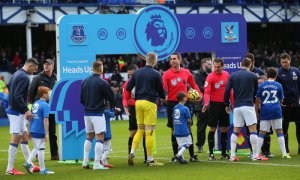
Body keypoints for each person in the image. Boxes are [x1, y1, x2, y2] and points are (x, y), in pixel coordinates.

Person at [127, 52, 166, 166]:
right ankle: (150, 160)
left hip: (138, 103)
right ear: (154, 61)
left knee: (140, 130)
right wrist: (164, 97)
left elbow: (129, 88)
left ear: (146, 60)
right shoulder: (156, 74)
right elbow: (161, 92)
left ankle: (132, 152)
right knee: (149, 132)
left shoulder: (137, 72)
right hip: (150, 103)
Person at [162, 52, 202, 163]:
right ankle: (176, 156)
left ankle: (192, 155)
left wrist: (199, 94)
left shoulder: (186, 72)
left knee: (188, 127)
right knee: (173, 130)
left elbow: (194, 85)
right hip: (172, 104)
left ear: (180, 60)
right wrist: (163, 96)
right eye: (171, 59)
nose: (172, 61)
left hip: (185, 104)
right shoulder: (166, 74)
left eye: (174, 58)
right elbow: (163, 88)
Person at [224, 57, 265, 161]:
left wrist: (226, 104)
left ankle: (232, 156)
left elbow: (227, 90)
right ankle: (255, 155)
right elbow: (256, 91)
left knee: (236, 130)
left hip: (237, 106)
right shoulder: (253, 76)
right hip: (248, 105)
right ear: (250, 65)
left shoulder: (233, 75)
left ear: (241, 64)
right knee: (253, 130)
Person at [6, 58, 39, 175]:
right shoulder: (24, 77)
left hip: (15, 110)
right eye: (34, 69)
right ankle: (10, 169)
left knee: (24, 136)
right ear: (29, 65)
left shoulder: (16, 73)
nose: (34, 71)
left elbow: (11, 90)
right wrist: (26, 110)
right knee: (16, 137)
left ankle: (29, 164)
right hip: (16, 112)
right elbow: (17, 95)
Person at [80, 60, 115, 170]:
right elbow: (111, 97)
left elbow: (81, 99)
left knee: (89, 137)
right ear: (100, 69)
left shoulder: (85, 81)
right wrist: (112, 107)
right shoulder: (102, 82)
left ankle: (85, 162)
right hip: (98, 113)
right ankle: (96, 163)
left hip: (87, 112)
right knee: (100, 138)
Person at [255, 67, 289, 159]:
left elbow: (257, 100)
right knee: (279, 131)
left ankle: (257, 154)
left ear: (267, 75)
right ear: (276, 75)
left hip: (265, 110)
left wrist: (256, 112)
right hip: (276, 109)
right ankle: (284, 153)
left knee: (262, 132)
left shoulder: (262, 85)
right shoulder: (279, 85)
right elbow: (281, 99)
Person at [28, 59, 59, 160]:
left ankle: (54, 154)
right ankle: (37, 154)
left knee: (52, 132)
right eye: (45, 64)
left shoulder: (56, 78)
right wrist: (35, 107)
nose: (46, 66)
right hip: (40, 109)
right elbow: (31, 94)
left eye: (48, 64)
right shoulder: (38, 78)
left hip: (52, 108)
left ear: (52, 66)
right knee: (39, 131)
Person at [202, 58, 231, 160]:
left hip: (224, 105)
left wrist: (232, 103)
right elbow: (207, 92)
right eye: (215, 66)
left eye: (219, 67)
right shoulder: (210, 76)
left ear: (223, 66)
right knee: (213, 128)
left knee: (224, 129)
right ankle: (211, 154)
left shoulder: (227, 75)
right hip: (214, 105)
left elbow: (230, 90)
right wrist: (206, 103)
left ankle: (223, 154)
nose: (217, 68)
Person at [245, 53, 273, 158]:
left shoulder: (260, 72)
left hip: (262, 105)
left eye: (250, 61)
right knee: (251, 128)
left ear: (253, 61)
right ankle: (253, 151)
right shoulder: (244, 73)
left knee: (264, 128)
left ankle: (266, 151)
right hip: (249, 104)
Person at [23, 86, 55, 174]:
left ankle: (42, 169)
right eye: (48, 93)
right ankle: (28, 162)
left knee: (40, 148)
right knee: (38, 148)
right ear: (44, 95)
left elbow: (30, 118)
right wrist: (47, 133)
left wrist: (29, 131)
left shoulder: (35, 103)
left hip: (33, 129)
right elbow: (45, 120)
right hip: (39, 130)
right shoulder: (45, 105)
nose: (49, 95)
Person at [122, 64, 147, 164]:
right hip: (133, 108)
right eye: (128, 75)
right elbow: (125, 97)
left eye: (132, 75)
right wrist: (125, 108)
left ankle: (147, 158)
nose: (130, 77)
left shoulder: (144, 82)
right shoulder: (127, 84)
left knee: (145, 132)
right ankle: (130, 157)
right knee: (133, 132)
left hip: (144, 107)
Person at [276, 53, 300, 156]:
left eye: (286, 62)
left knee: (299, 127)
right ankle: (286, 149)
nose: (284, 64)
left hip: (297, 105)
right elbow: (275, 88)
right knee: (284, 128)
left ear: (290, 60)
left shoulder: (296, 71)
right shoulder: (278, 73)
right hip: (285, 106)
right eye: (282, 62)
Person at [193, 58, 212, 153]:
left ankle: (216, 145)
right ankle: (200, 145)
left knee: (214, 125)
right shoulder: (197, 75)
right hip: (201, 104)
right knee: (201, 126)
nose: (211, 66)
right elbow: (200, 89)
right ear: (203, 65)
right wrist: (211, 88)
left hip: (213, 103)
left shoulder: (212, 74)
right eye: (209, 64)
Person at [173, 92, 193, 164]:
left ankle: (181, 159)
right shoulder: (185, 108)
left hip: (176, 129)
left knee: (180, 145)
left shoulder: (175, 107)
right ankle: (178, 155)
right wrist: (189, 128)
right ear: (184, 98)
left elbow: (174, 118)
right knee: (189, 142)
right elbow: (189, 120)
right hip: (183, 129)